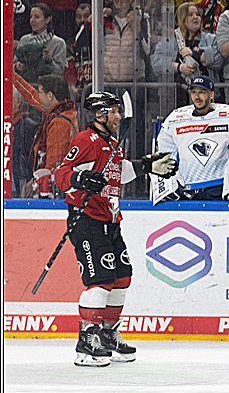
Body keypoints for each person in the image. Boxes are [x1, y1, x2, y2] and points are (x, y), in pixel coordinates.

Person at [53, 92, 178, 366]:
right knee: (99, 282)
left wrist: (147, 166)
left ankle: (107, 333)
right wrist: (81, 178)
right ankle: (86, 342)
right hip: (86, 221)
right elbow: (60, 174)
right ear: (100, 115)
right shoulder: (85, 141)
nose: (119, 116)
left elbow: (118, 172)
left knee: (122, 277)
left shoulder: (112, 144)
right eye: (114, 111)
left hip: (111, 222)